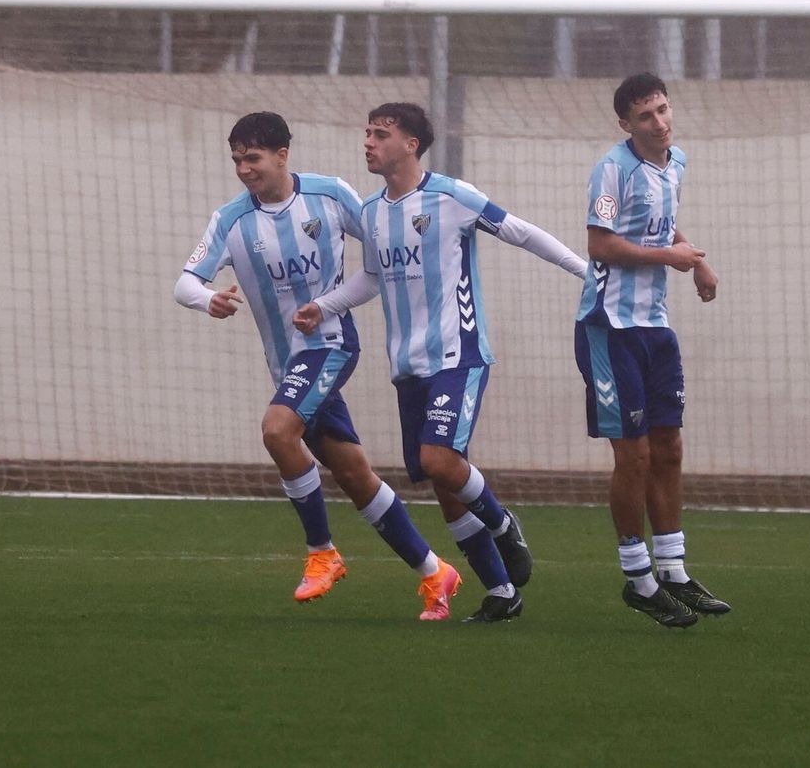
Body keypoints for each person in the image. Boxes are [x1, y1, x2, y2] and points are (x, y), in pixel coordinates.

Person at [295, 102, 586, 622]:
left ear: (411, 145)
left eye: (380, 134)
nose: (368, 142)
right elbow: (372, 278)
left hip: (458, 354)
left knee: (439, 461)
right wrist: (325, 305)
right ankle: (502, 592)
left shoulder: (452, 196)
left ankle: (503, 524)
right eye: (367, 133)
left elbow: (522, 231)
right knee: (447, 488)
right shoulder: (371, 211)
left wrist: (587, 273)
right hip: (407, 365)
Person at [175, 112, 463, 620]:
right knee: (353, 474)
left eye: (253, 158)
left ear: (282, 155)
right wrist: (207, 299)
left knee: (276, 430)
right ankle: (435, 571)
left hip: (330, 345)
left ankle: (321, 552)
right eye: (237, 159)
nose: (244, 169)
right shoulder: (230, 220)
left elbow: (381, 247)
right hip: (287, 365)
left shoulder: (329, 195)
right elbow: (185, 283)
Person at [574, 72, 729, 628]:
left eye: (663, 110)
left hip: (655, 326)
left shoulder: (676, 162)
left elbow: (662, 223)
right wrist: (671, 258)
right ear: (626, 123)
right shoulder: (612, 169)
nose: (660, 122)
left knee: (669, 448)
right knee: (634, 456)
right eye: (646, 116)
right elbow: (600, 243)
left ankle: (674, 572)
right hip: (609, 326)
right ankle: (639, 580)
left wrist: (697, 261)